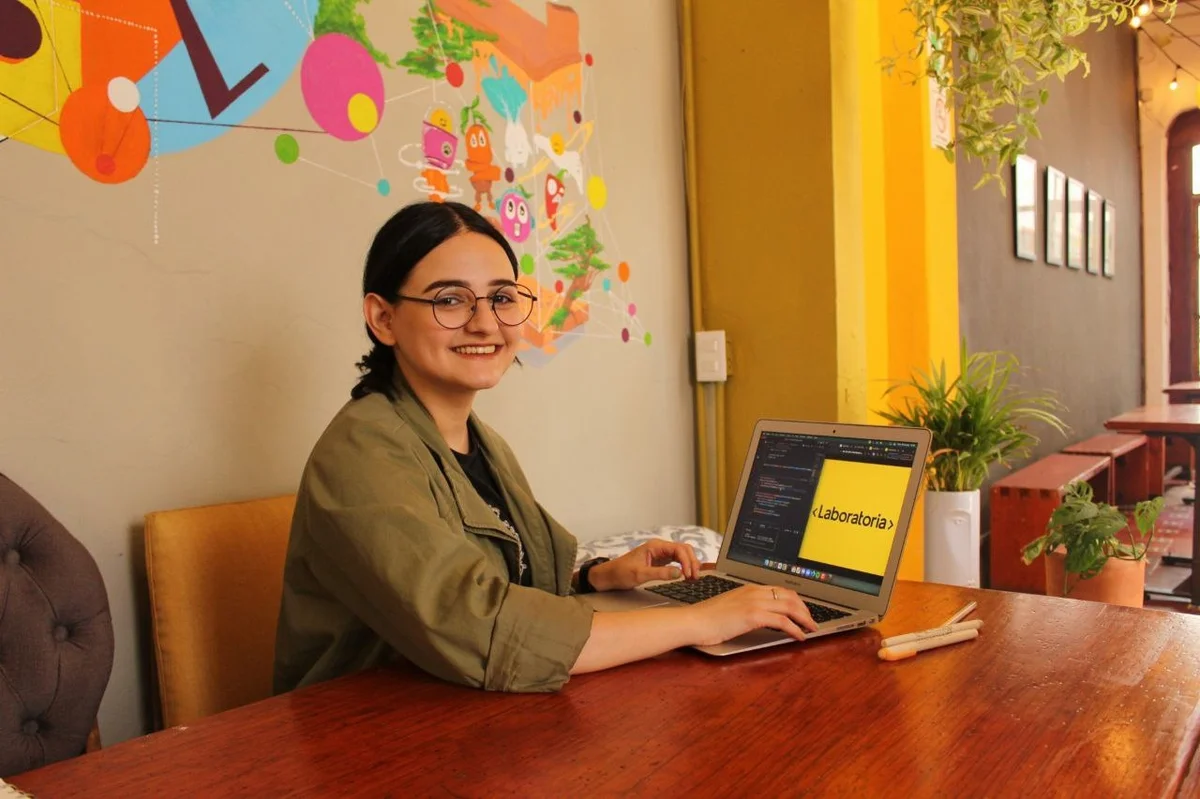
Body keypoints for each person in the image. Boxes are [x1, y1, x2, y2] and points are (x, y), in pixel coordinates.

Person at [273, 201, 817, 694]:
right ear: (383, 318)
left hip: (468, 713)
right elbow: (482, 626)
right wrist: (705, 621)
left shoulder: (480, 442)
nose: (484, 321)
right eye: (450, 299)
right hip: (364, 733)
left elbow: (511, 569)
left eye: (501, 298)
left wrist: (595, 576)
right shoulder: (360, 454)